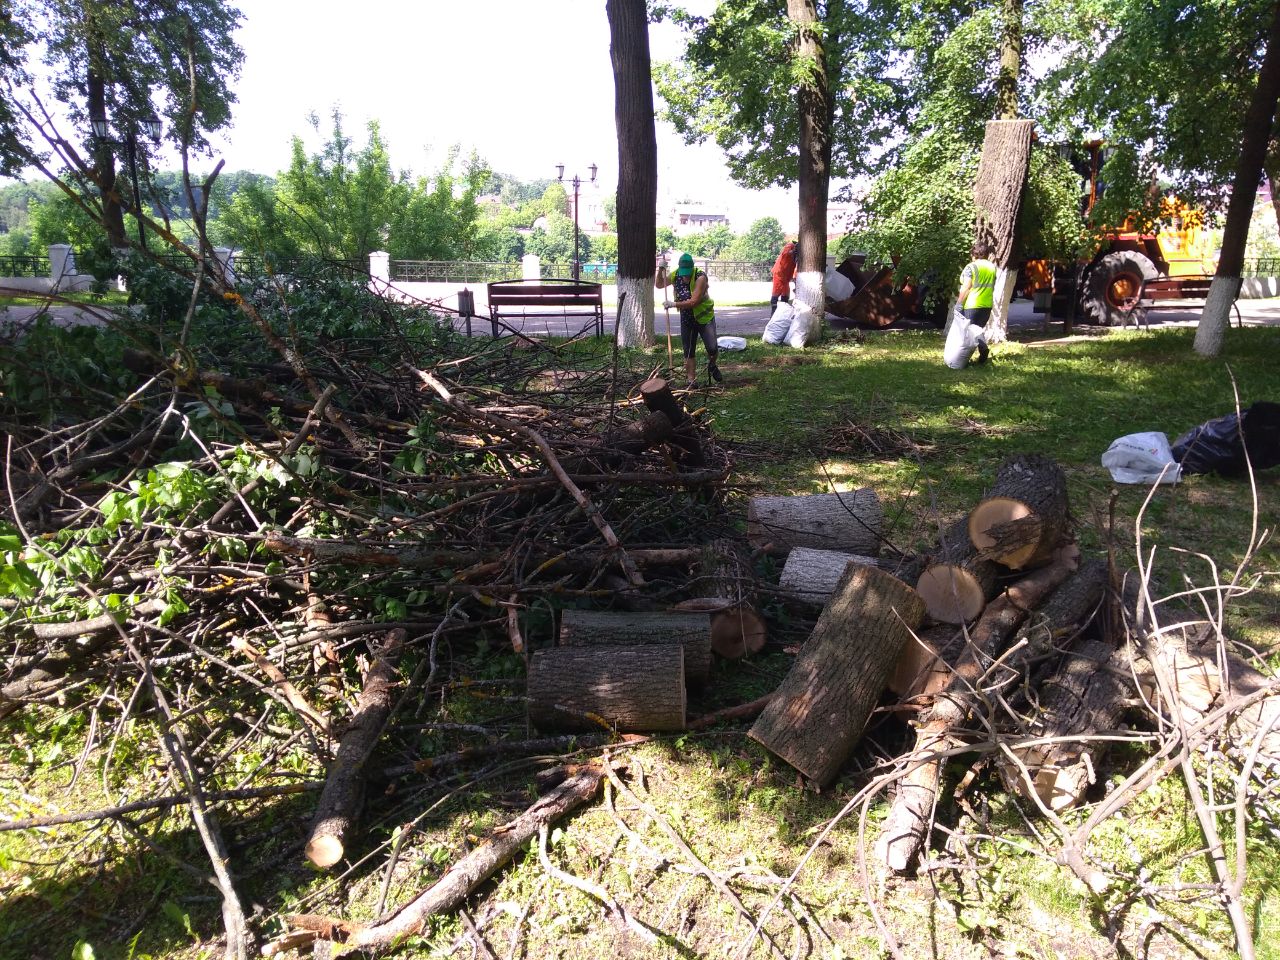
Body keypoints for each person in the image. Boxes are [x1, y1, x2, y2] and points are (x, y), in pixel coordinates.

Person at [656, 252, 720, 387]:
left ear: (692, 268)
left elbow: (694, 302)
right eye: (683, 272)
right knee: (688, 350)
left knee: (712, 348)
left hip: (704, 318)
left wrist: (673, 304)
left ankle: (712, 365)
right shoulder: (676, 275)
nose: (685, 276)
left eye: (687, 273)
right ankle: (692, 381)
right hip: (687, 318)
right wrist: (660, 269)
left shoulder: (700, 277)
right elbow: (659, 285)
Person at [946, 239, 995, 368]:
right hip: (987, 304)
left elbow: (966, 287)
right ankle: (980, 354)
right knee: (977, 329)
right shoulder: (991, 267)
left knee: (970, 331)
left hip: (973, 303)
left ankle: (978, 350)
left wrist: (959, 303)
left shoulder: (971, 267)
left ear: (974, 254)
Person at [770, 238, 797, 315]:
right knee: (777, 290)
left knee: (785, 293)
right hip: (779, 273)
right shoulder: (790, 246)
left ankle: (782, 313)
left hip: (785, 276)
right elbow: (785, 253)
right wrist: (793, 251)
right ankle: (773, 313)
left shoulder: (796, 253)